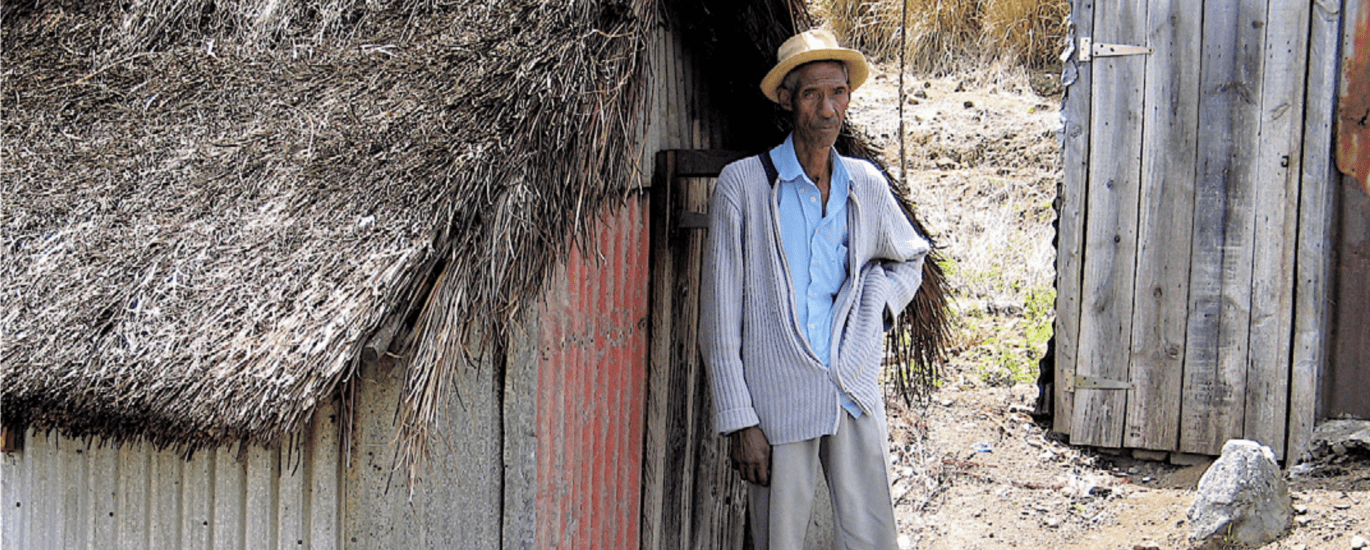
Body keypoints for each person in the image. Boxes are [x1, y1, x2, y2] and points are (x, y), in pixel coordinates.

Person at [699, 29, 929, 549]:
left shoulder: (864, 184)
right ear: (787, 99)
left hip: (851, 392)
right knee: (781, 541)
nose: (828, 110)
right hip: (777, 405)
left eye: (838, 93)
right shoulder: (745, 186)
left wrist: (877, 305)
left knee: (873, 537)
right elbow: (718, 321)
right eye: (811, 94)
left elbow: (911, 257)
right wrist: (741, 422)